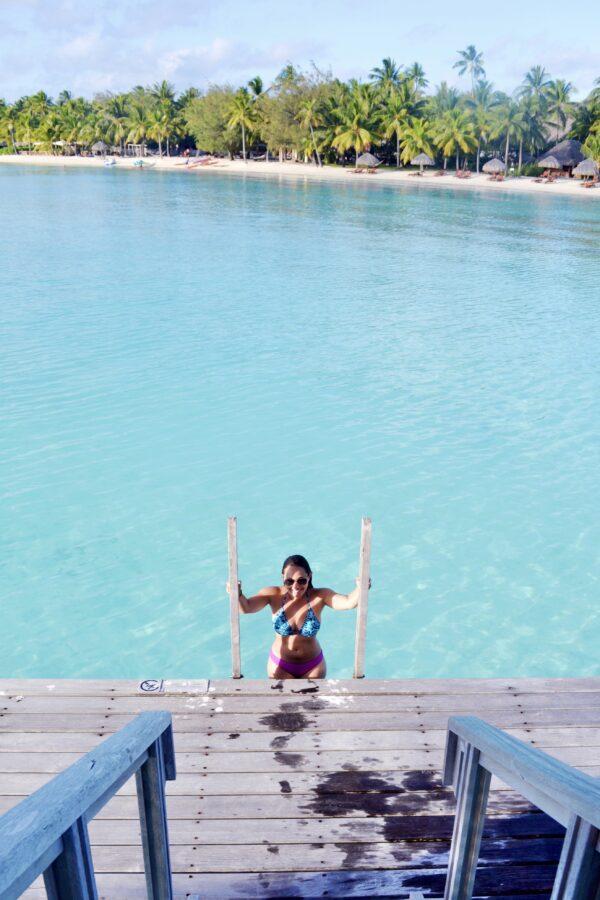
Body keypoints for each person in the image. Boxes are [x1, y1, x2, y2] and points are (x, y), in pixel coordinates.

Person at [228, 555, 371, 679]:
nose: (295, 586)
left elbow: (348, 602)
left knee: (313, 704)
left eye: (301, 580)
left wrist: (361, 588)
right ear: (282, 577)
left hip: (313, 667)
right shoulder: (273, 594)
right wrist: (237, 594)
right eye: (289, 581)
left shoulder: (320, 596)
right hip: (280, 666)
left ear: (309, 576)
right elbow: (246, 608)